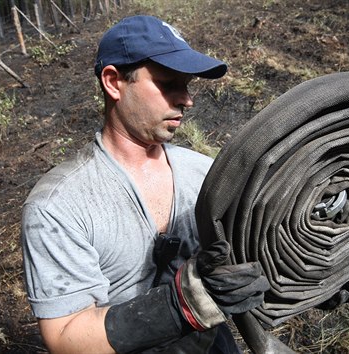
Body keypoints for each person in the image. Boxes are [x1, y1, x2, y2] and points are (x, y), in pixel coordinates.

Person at [21, 15, 270, 354]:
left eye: (188, 85)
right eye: (169, 84)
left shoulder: (203, 173)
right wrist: (181, 305)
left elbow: (257, 242)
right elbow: (65, 337)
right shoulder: (60, 206)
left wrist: (334, 264)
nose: (187, 99)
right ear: (113, 82)